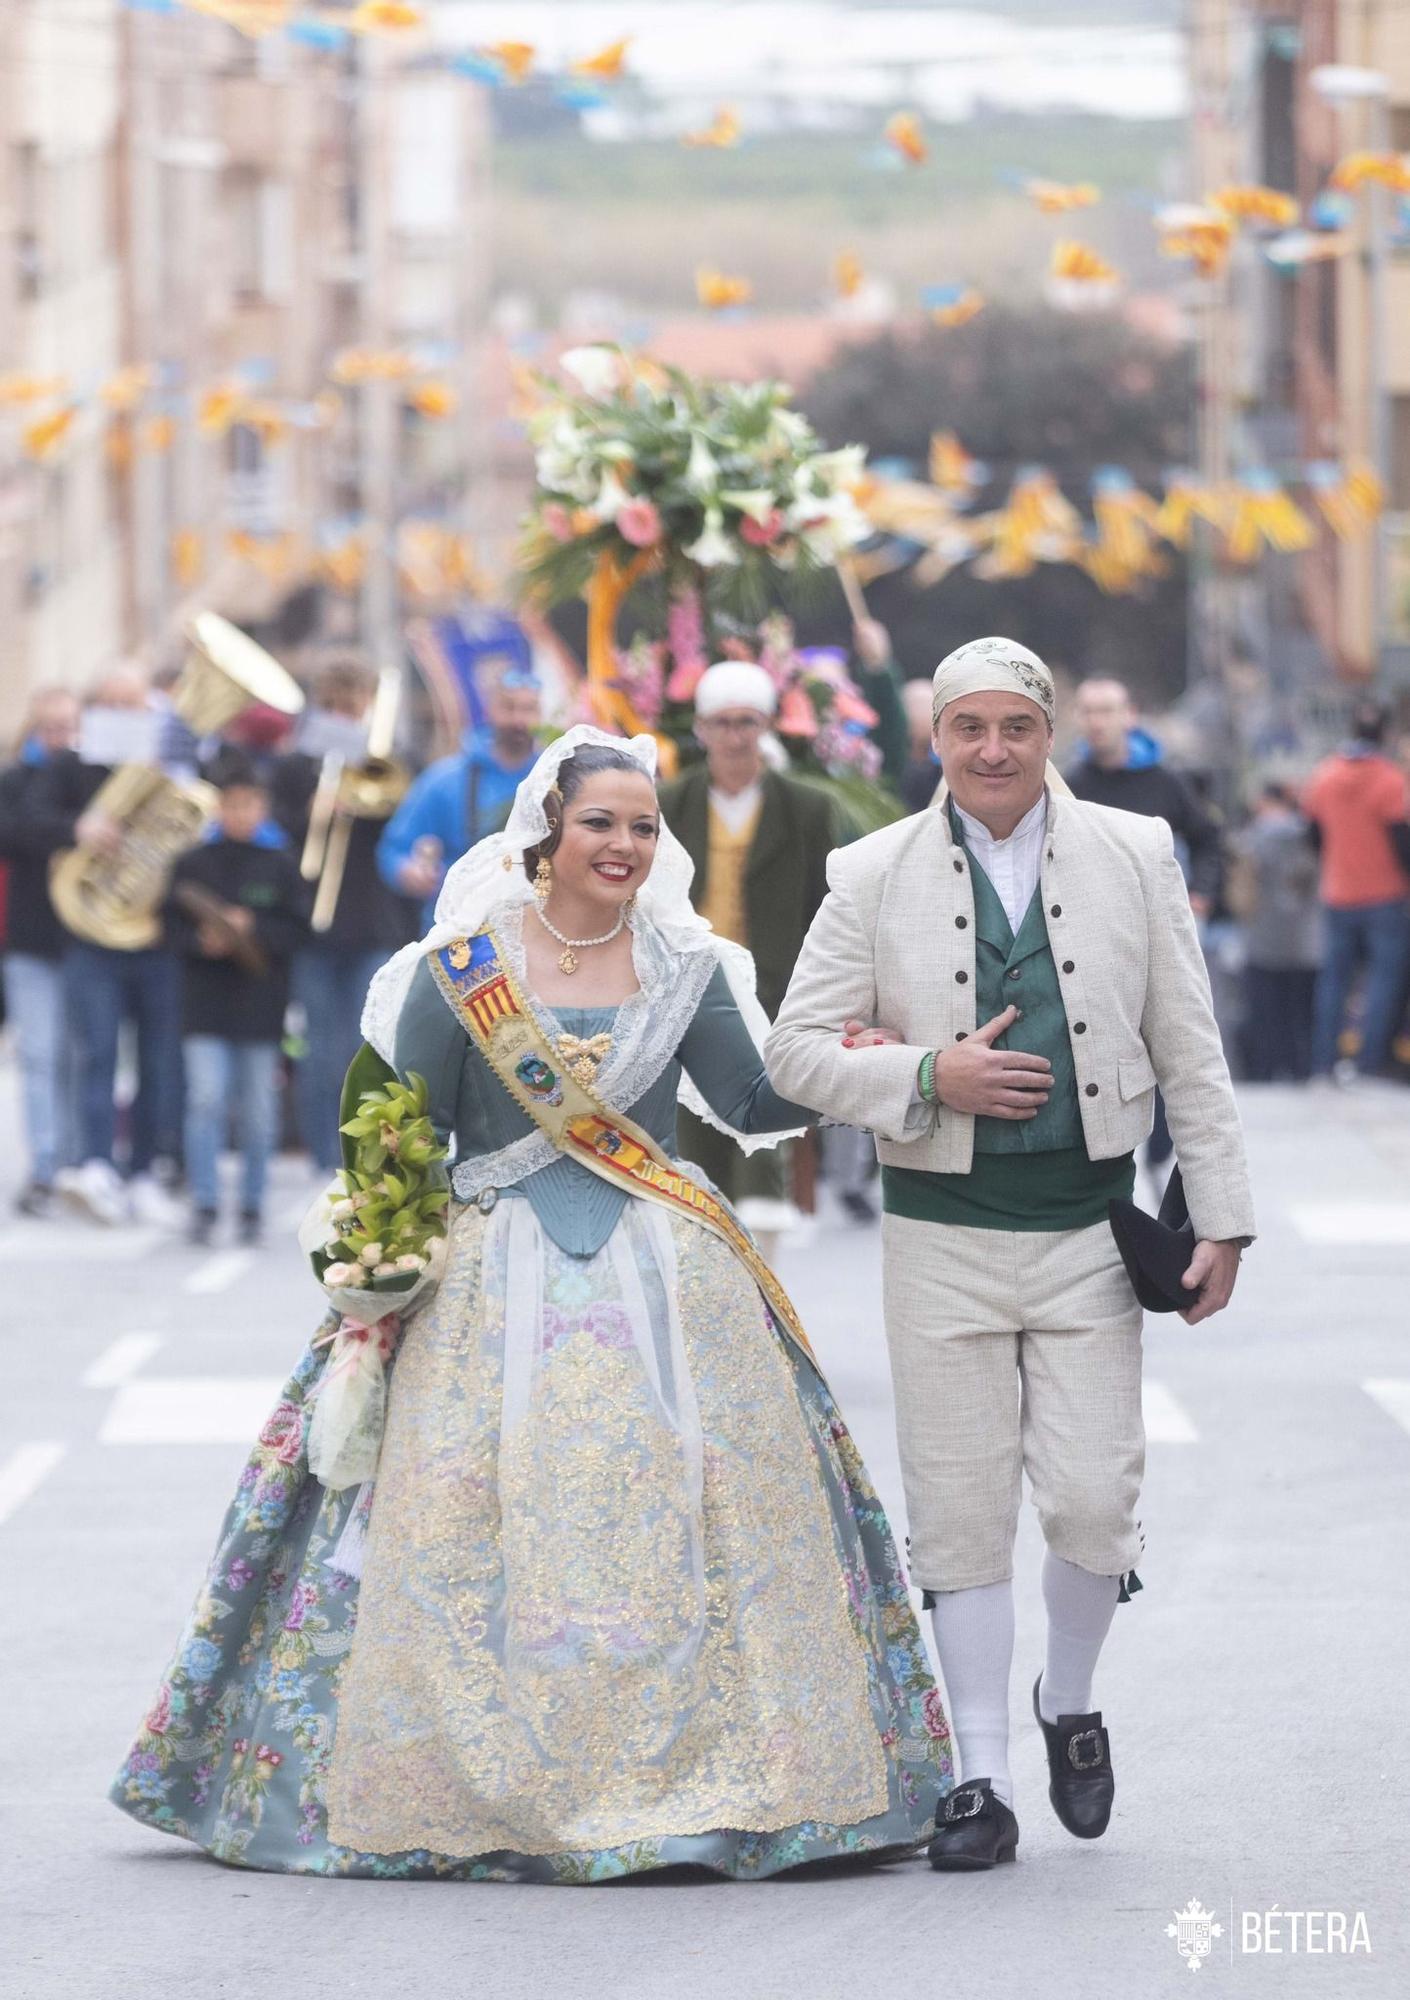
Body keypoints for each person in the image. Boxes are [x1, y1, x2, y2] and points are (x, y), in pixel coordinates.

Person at [110, 726, 951, 1879]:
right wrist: (378, 1274)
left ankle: (726, 1778)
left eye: (645, 825)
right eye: (601, 821)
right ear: (547, 832)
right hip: (487, 1282)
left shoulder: (686, 967)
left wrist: (878, 1055)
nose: (624, 843)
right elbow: (398, 1129)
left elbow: (755, 1094)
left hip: (665, 1267)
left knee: (692, 1502)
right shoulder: (462, 969)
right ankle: (459, 1779)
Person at [767, 636, 1254, 1871]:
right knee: (962, 1509)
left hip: (1094, 1232)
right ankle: (979, 1775)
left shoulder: (1136, 851)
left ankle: (1069, 1704)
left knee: (1096, 1499)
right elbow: (792, 1053)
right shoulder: (869, 869)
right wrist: (930, 1071)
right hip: (940, 1238)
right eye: (968, 727)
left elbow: (1189, 1044)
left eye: (1015, 728)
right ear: (937, 737)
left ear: (1048, 734)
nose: (992, 750)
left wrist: (1228, 1213)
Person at [658, 662, 836, 1258]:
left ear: (766, 728)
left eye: (747, 723)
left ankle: (764, 1271)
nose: (735, 736)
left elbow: (824, 905)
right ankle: (700, 1245)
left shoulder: (807, 808)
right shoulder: (667, 803)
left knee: (764, 1122)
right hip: (686, 983)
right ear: (702, 729)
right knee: (691, 1120)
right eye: (723, 723)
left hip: (775, 986)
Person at [41, 667, 186, 1228]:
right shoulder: (69, 768)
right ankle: (96, 1163)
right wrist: (76, 827)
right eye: (115, 705)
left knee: (158, 1058)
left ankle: (146, 1169)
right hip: (91, 935)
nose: (128, 715)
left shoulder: (170, 766)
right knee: (96, 1052)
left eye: (136, 706)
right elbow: (18, 820)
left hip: (155, 934)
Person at [270, 657, 420, 1176]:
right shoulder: (293, 768)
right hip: (314, 928)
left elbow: (404, 832)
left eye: (351, 708)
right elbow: (280, 842)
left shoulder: (390, 760)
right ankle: (321, 1152)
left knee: (368, 1048)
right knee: (320, 1051)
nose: (342, 717)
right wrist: (314, 808)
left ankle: (368, 1153)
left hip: (373, 924)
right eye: (331, 708)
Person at [165, 755, 308, 1246]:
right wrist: (201, 941)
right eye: (232, 804)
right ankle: (204, 1202)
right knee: (205, 1099)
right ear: (219, 806)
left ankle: (251, 1204)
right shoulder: (193, 863)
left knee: (257, 1110)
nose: (241, 813)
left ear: (263, 807)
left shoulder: (281, 866)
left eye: (250, 804)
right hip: (204, 1005)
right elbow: (169, 928)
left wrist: (254, 930)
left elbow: (297, 929)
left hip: (259, 1007)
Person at [0, 689, 83, 1215]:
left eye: (67, 728)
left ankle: (78, 1165)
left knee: (81, 1056)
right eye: (49, 728)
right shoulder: (14, 780)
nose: (59, 739)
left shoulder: (92, 775)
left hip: (86, 939)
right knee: (40, 1055)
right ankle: (46, 1168)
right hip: (30, 939)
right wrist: (75, 830)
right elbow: (13, 831)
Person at [376, 667, 543, 927]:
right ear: (489, 711)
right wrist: (410, 871)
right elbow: (395, 848)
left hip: (537, 928)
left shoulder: (554, 780)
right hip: (455, 931)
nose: (519, 720)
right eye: (509, 708)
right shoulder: (444, 779)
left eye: (529, 709)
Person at [1301, 702, 1410, 1082]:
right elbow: (1402, 841)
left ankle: (1323, 1062)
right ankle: (1367, 1061)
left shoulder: (1324, 775)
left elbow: (1313, 834)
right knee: (1383, 980)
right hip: (1385, 894)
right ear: (1386, 733)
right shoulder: (1390, 780)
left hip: (1338, 892)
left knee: (1334, 981)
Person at [1228, 783, 1321, 1083]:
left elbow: (1240, 892)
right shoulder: (1311, 835)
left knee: (1264, 1011)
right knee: (1301, 1011)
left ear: (1266, 802)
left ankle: (1264, 1070)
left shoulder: (1249, 839)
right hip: (1306, 940)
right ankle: (1302, 1069)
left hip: (1260, 938)